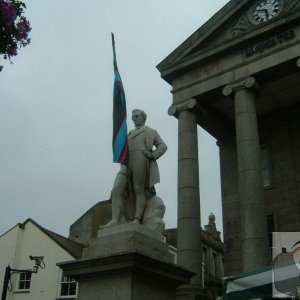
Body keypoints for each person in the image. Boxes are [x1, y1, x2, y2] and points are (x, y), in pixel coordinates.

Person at [103, 109, 167, 227]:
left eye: (137, 116)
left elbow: (162, 146)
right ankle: (115, 219)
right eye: (133, 117)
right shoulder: (129, 133)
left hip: (140, 158)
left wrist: (152, 155)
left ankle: (137, 219)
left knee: (139, 189)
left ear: (143, 118)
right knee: (117, 189)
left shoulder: (150, 131)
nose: (134, 119)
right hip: (126, 161)